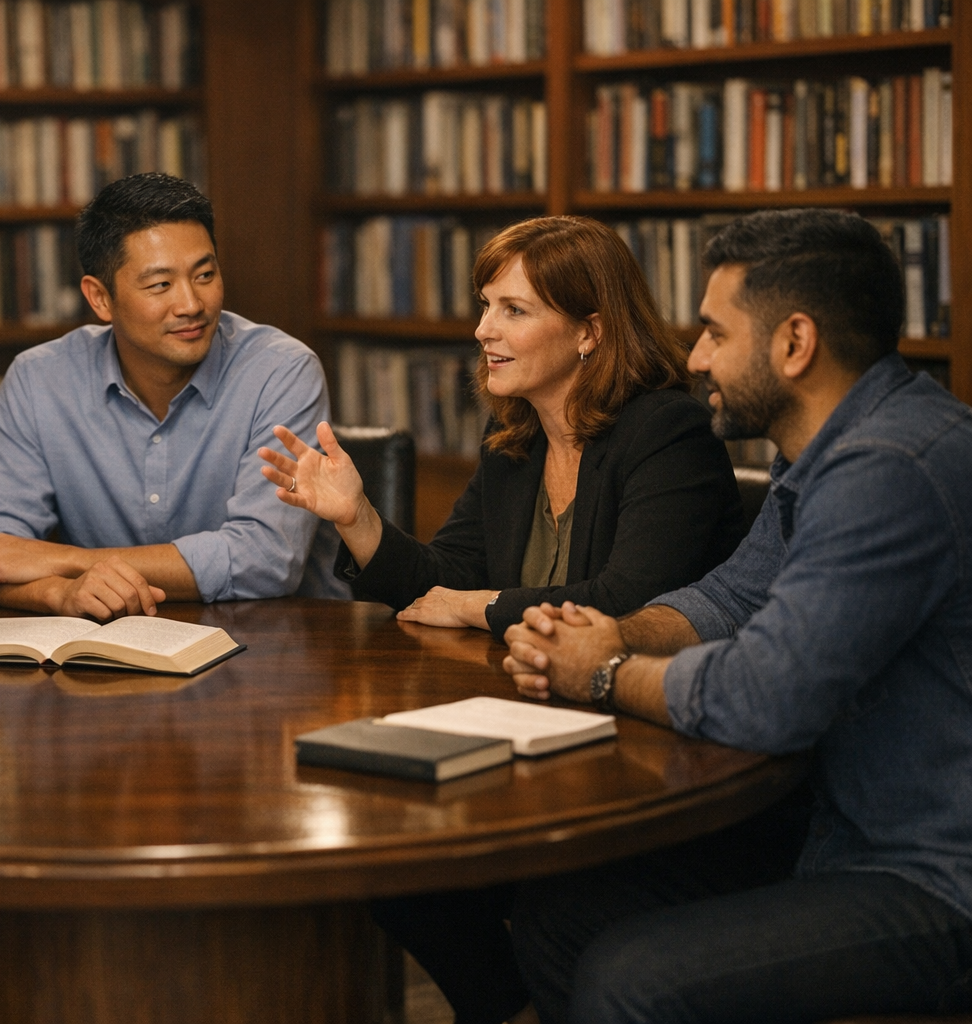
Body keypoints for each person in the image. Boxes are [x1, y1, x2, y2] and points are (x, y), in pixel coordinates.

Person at [501, 208, 972, 1024]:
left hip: (932, 872)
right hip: (838, 824)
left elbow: (765, 697)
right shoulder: (823, 448)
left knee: (631, 976)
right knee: (558, 912)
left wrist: (604, 672)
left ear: (794, 343)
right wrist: (614, 631)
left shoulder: (888, 469)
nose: (695, 358)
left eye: (716, 333)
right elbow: (729, 597)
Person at [260, 216, 747, 646]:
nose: (483, 329)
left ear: (589, 332)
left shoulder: (669, 433)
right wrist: (356, 517)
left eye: (513, 309)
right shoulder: (517, 431)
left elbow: (625, 604)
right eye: (486, 305)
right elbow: (440, 584)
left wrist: (479, 607)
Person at [0, 172, 346, 620]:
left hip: (270, 650)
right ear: (100, 298)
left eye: (205, 274)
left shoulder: (281, 370)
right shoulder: (40, 379)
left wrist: (68, 560)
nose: (191, 304)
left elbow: (267, 558)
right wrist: (59, 595)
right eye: (161, 285)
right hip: (102, 661)